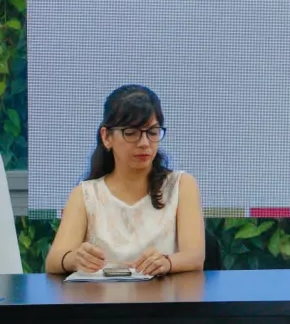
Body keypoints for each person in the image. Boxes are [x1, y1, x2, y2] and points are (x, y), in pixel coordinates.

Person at [46, 85, 205, 275]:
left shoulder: (181, 185)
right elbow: (54, 261)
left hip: (165, 293)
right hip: (103, 294)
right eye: (131, 133)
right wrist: (74, 259)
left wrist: (167, 262)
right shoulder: (86, 194)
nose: (144, 143)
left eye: (152, 132)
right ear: (106, 137)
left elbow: (195, 257)